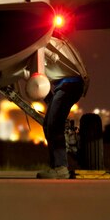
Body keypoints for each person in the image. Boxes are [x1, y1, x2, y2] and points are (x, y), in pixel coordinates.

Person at [36, 37, 89, 179]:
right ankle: (56, 167)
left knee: (54, 125)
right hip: (66, 86)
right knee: (48, 124)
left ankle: (60, 167)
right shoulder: (49, 42)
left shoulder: (39, 43)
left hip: (68, 85)